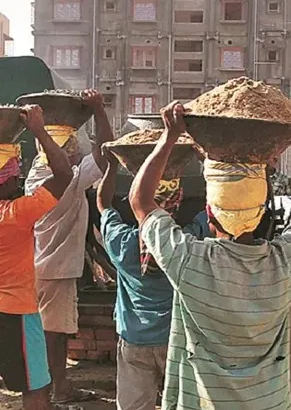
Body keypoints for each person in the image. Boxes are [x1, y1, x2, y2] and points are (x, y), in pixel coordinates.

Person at [130, 103, 291, 409]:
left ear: (210, 213)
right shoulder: (287, 261)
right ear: (261, 212)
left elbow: (141, 201)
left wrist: (169, 137)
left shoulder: (189, 260)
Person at [0, 104, 74, 410]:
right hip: (15, 315)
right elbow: (64, 175)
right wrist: (38, 130)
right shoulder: (17, 214)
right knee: (36, 390)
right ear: (8, 180)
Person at [95, 151, 204, 410]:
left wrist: (112, 166)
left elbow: (103, 203)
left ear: (135, 202)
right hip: (175, 340)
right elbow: (213, 211)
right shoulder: (185, 244)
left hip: (134, 340)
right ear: (177, 203)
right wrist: (205, 161)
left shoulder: (122, 243)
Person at [22, 89, 112, 405]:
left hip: (38, 267)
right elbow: (106, 152)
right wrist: (98, 109)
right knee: (55, 336)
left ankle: (49, 389)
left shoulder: (35, 174)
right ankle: (55, 391)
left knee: (46, 334)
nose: (77, 156)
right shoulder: (68, 180)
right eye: (73, 150)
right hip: (56, 272)